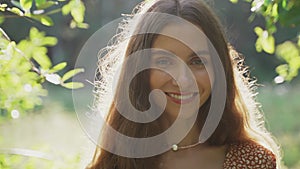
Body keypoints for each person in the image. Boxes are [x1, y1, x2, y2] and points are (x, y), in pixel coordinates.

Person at [86, 0, 281, 168]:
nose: (183, 80)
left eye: (197, 61)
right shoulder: (115, 162)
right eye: (164, 62)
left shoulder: (254, 162)